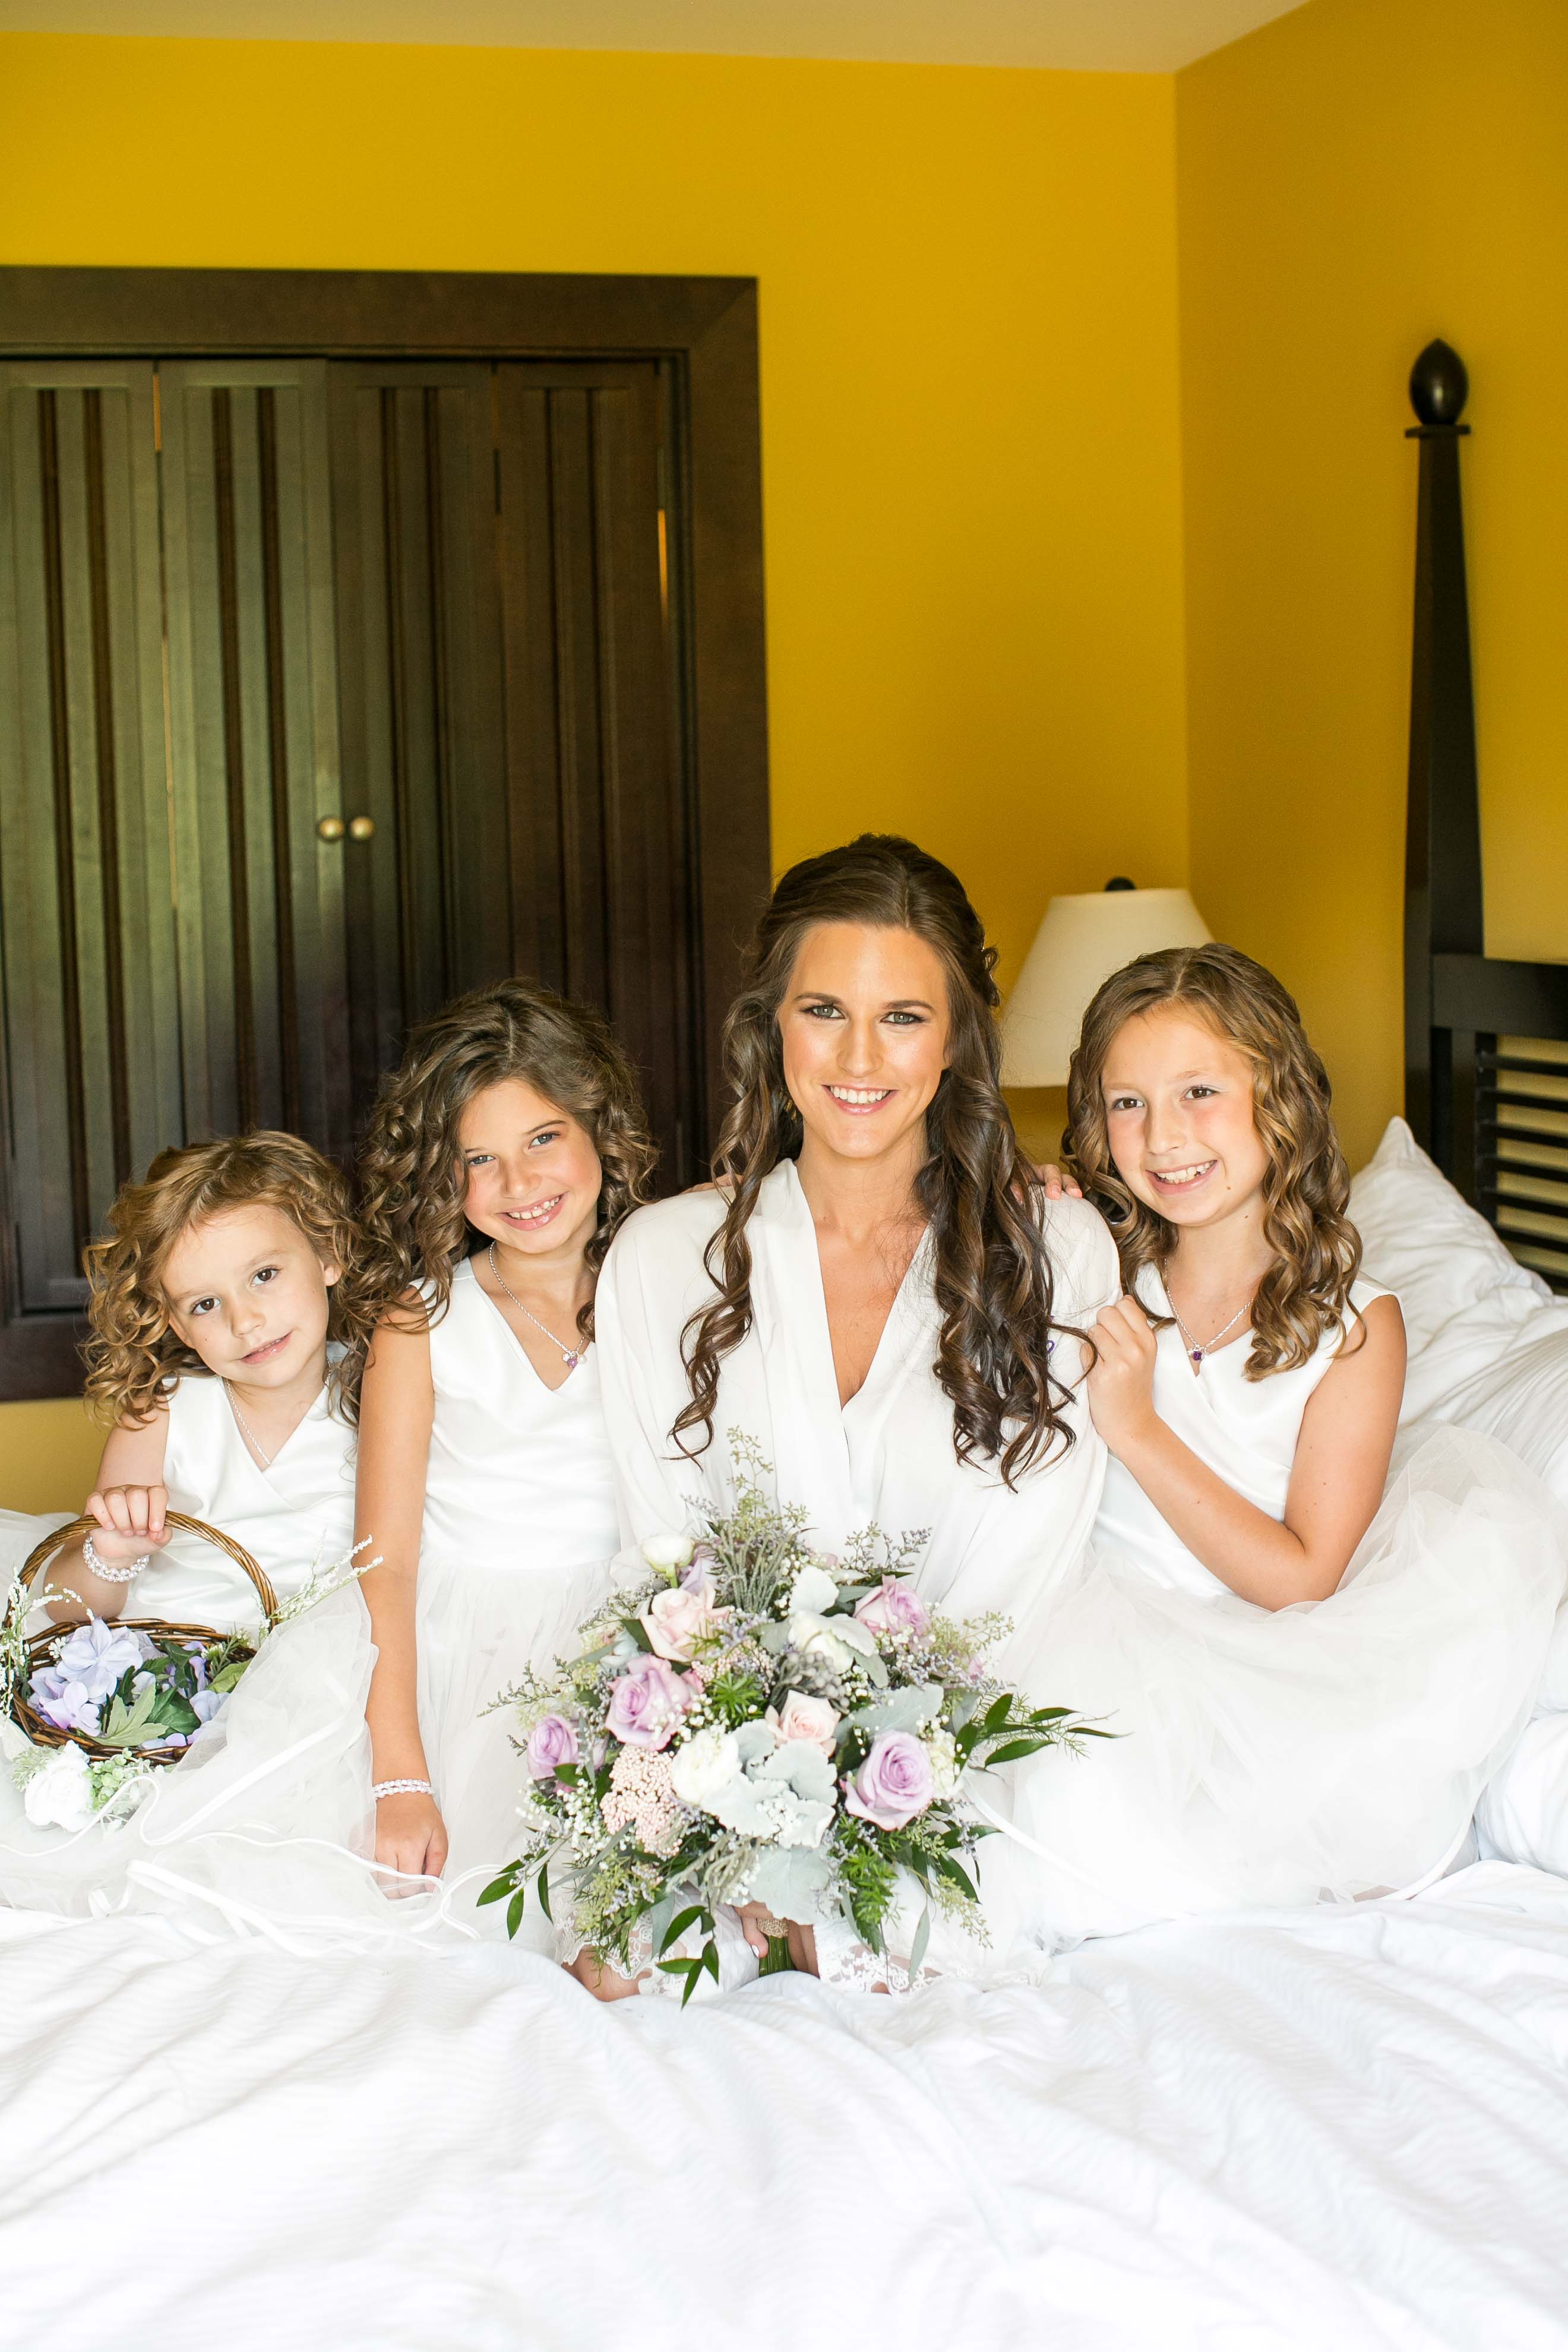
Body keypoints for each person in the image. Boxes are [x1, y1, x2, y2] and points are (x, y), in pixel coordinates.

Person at [593, 834, 1121, 1990]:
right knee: (624, 1978)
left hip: (966, 1758)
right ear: (771, 1025)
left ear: (959, 1037)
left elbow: (1025, 1571)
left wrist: (867, 1793)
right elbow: (664, 1558)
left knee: (917, 1958)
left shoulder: (1057, 1252)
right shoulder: (663, 1259)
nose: (860, 1058)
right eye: (825, 1010)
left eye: (904, 1017)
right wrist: (747, 1799)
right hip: (725, 1761)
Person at [998, 943, 1567, 1940]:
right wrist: (1035, 1237)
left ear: (1280, 1099)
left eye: (1200, 1092)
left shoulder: (1355, 1327)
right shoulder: (1090, 1261)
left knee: (1082, 1828)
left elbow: (1306, 1577)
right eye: (1127, 1103)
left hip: (1250, 1671)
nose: (1163, 1137)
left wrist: (1136, 1427)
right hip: (1067, 1626)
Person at [0, 1133, 386, 1941]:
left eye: (265, 1275)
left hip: (312, 1685)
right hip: (163, 1667)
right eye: (205, 1305)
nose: (246, 1320)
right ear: (172, 1319)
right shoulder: (165, 1409)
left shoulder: (381, 1392)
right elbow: (70, 1609)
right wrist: (112, 1550)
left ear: (328, 1254)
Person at [348, 979, 655, 1935]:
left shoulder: (672, 1280)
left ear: (600, 1127)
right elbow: (386, 1564)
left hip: (632, 1647)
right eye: (478, 1160)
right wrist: (401, 1774)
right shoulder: (421, 1319)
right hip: (466, 1664)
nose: (519, 1185)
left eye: (543, 1139)